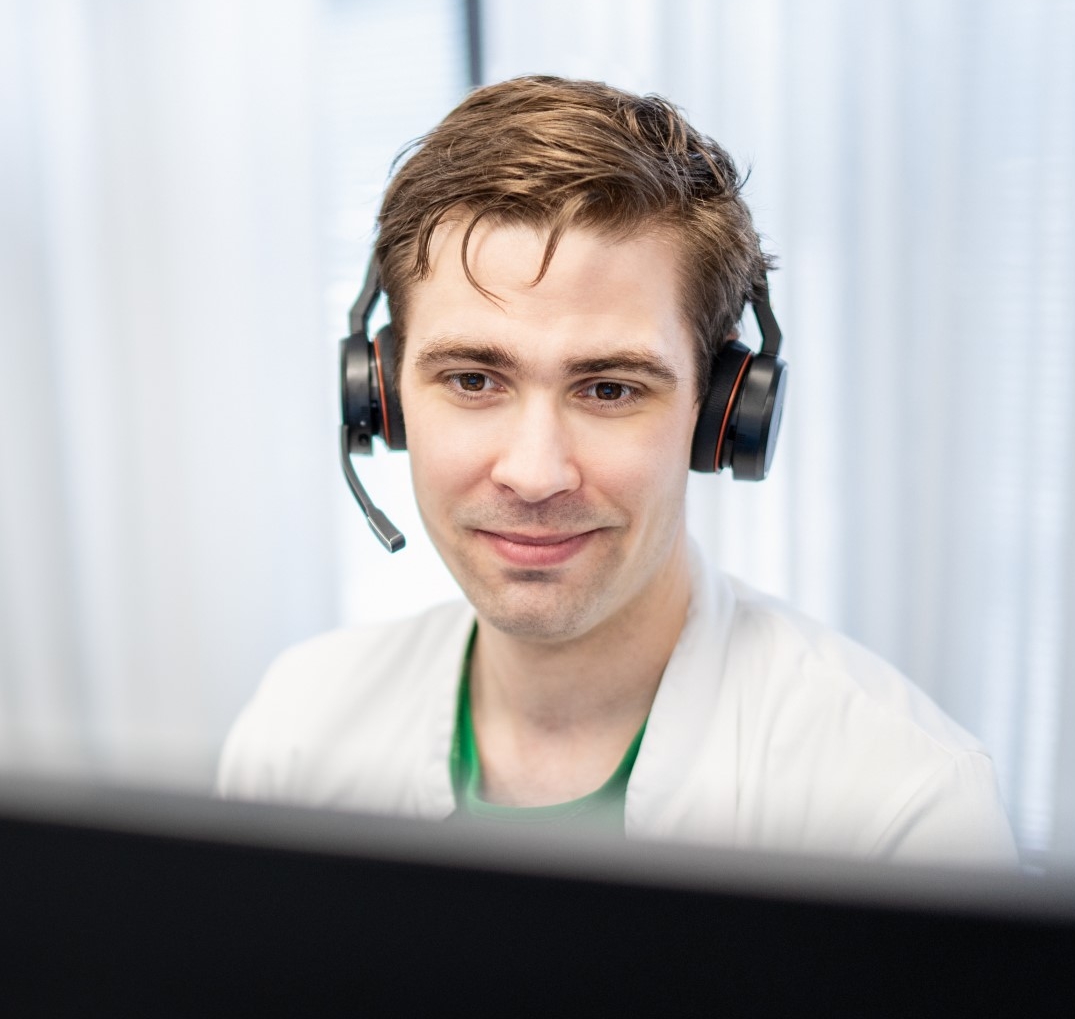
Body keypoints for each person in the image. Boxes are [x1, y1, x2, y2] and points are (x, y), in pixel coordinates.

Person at [217, 76, 1016, 863]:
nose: (535, 474)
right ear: (383, 399)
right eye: (473, 380)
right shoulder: (297, 733)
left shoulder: (902, 807)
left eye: (609, 389)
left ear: (720, 413)